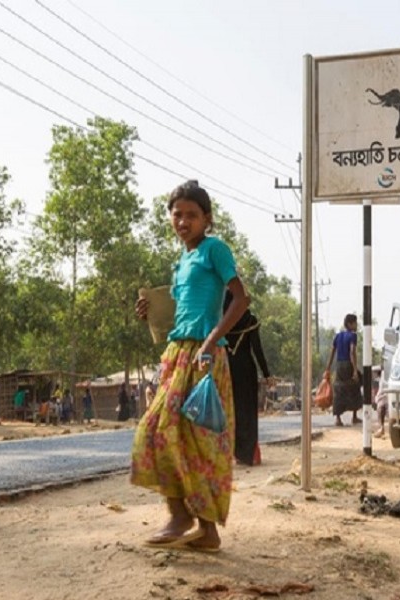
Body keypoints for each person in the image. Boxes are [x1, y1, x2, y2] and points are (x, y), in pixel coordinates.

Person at [131, 180, 249, 553]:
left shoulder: (215, 249)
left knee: (199, 442)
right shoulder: (180, 262)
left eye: (192, 215)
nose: (183, 221)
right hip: (177, 354)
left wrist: (212, 342)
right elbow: (180, 314)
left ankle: (201, 526)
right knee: (158, 433)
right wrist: (149, 314)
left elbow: (240, 298)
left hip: (205, 357)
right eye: (177, 214)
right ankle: (187, 520)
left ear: (207, 219)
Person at [222, 290, 273, 466]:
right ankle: (247, 454)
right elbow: (257, 349)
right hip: (246, 368)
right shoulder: (249, 319)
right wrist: (266, 374)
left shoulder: (221, 319)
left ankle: (229, 453)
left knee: (229, 410)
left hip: (225, 368)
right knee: (247, 411)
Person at [324, 314, 362, 427]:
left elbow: (332, 352)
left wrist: (328, 368)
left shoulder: (338, 336)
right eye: (355, 323)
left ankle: (338, 418)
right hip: (348, 364)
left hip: (339, 364)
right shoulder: (353, 336)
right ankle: (354, 416)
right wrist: (355, 370)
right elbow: (352, 352)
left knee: (339, 389)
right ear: (350, 324)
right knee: (355, 387)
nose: (356, 325)